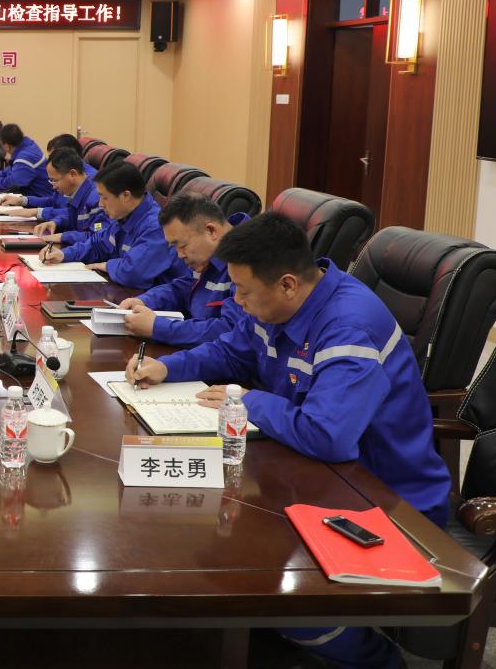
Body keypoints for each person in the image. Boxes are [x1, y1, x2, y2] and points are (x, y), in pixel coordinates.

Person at [126, 212, 451, 669]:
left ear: (287, 285)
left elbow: (328, 435)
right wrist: (168, 367)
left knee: (279, 596)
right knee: (197, 542)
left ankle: (376, 661)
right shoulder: (277, 305)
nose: (237, 301)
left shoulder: (348, 327)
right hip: (310, 476)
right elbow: (232, 350)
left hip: (384, 501)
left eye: (243, 291)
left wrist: (251, 402)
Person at [115, 193, 249, 347]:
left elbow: (230, 330)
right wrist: (144, 301)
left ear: (211, 231)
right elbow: (184, 288)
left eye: (183, 246)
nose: (179, 255)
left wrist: (158, 328)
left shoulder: (248, 258)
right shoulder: (205, 256)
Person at [40, 162, 188, 289]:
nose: (100, 204)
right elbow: (97, 244)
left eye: (104, 197)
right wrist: (64, 254)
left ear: (125, 196)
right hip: (127, 292)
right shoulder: (124, 215)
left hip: (154, 303)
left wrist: (106, 266)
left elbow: (133, 272)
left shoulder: (156, 226)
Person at [6, 148, 99, 243]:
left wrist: (63, 237)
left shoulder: (96, 198)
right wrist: (56, 222)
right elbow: (73, 217)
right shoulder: (77, 192)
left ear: (73, 174)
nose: (53, 187)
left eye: (55, 180)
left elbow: (98, 239)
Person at [0, 134, 93, 214]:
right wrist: (23, 200)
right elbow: (53, 201)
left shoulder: (89, 181)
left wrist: (37, 212)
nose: (50, 162)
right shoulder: (65, 174)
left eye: (54, 158)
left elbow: (69, 213)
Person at [0, 123, 54, 200]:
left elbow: (14, 183)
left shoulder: (24, 158)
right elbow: (14, 169)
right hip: (35, 196)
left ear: (6, 146)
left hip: (41, 200)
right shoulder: (29, 145)